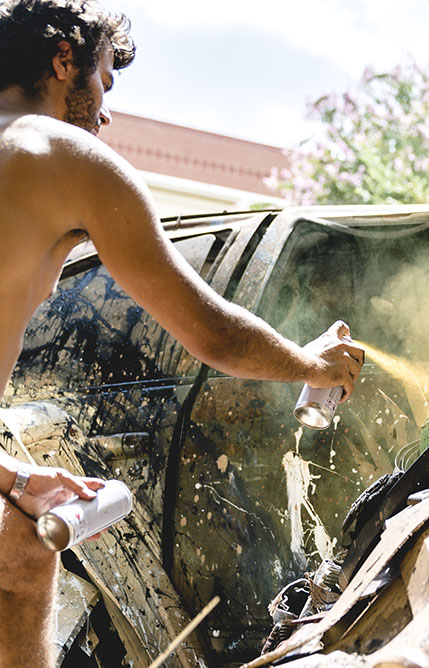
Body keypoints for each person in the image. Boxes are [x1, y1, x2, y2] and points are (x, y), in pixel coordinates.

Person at [0, 1, 365, 665]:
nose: (105, 112)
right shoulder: (60, 154)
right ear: (63, 60)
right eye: (103, 82)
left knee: (21, 553)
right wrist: (313, 365)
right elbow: (215, 335)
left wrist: (11, 477)